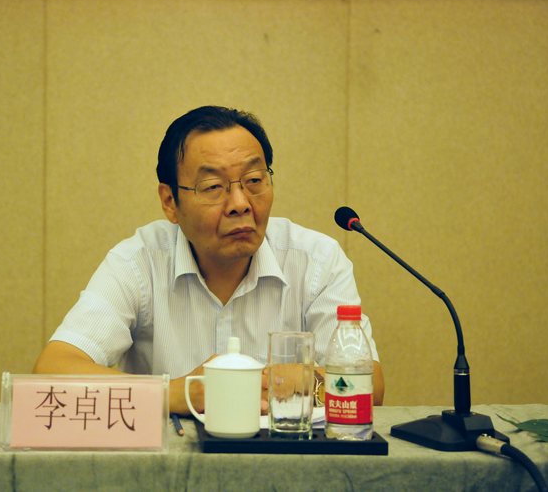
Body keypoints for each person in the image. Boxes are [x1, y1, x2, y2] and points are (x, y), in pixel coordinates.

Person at [34, 105, 385, 414]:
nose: (240, 203)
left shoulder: (316, 261)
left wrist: (291, 380)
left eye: (254, 180)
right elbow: (52, 370)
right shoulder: (138, 262)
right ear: (170, 202)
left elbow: (371, 385)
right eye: (213, 187)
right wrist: (180, 393)